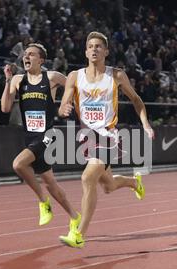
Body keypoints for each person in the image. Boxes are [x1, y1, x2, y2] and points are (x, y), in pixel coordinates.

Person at [57, 32, 155, 248]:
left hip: (108, 137)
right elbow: (63, 104)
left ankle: (79, 234)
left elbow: (137, 101)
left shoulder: (117, 76)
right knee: (108, 186)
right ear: (85, 51)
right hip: (87, 140)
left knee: (87, 179)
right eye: (90, 46)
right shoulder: (74, 76)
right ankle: (133, 182)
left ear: (106, 51)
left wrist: (145, 124)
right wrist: (63, 109)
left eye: (98, 46)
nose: (94, 49)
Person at [1, 43, 80, 231]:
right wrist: (7, 80)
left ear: (41, 60)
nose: (26, 57)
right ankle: (75, 217)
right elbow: (5, 108)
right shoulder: (18, 80)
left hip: (47, 136)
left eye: (31, 54)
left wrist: (65, 104)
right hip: (29, 136)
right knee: (50, 183)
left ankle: (43, 202)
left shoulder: (51, 77)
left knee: (18, 164)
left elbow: (74, 84)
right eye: (25, 55)